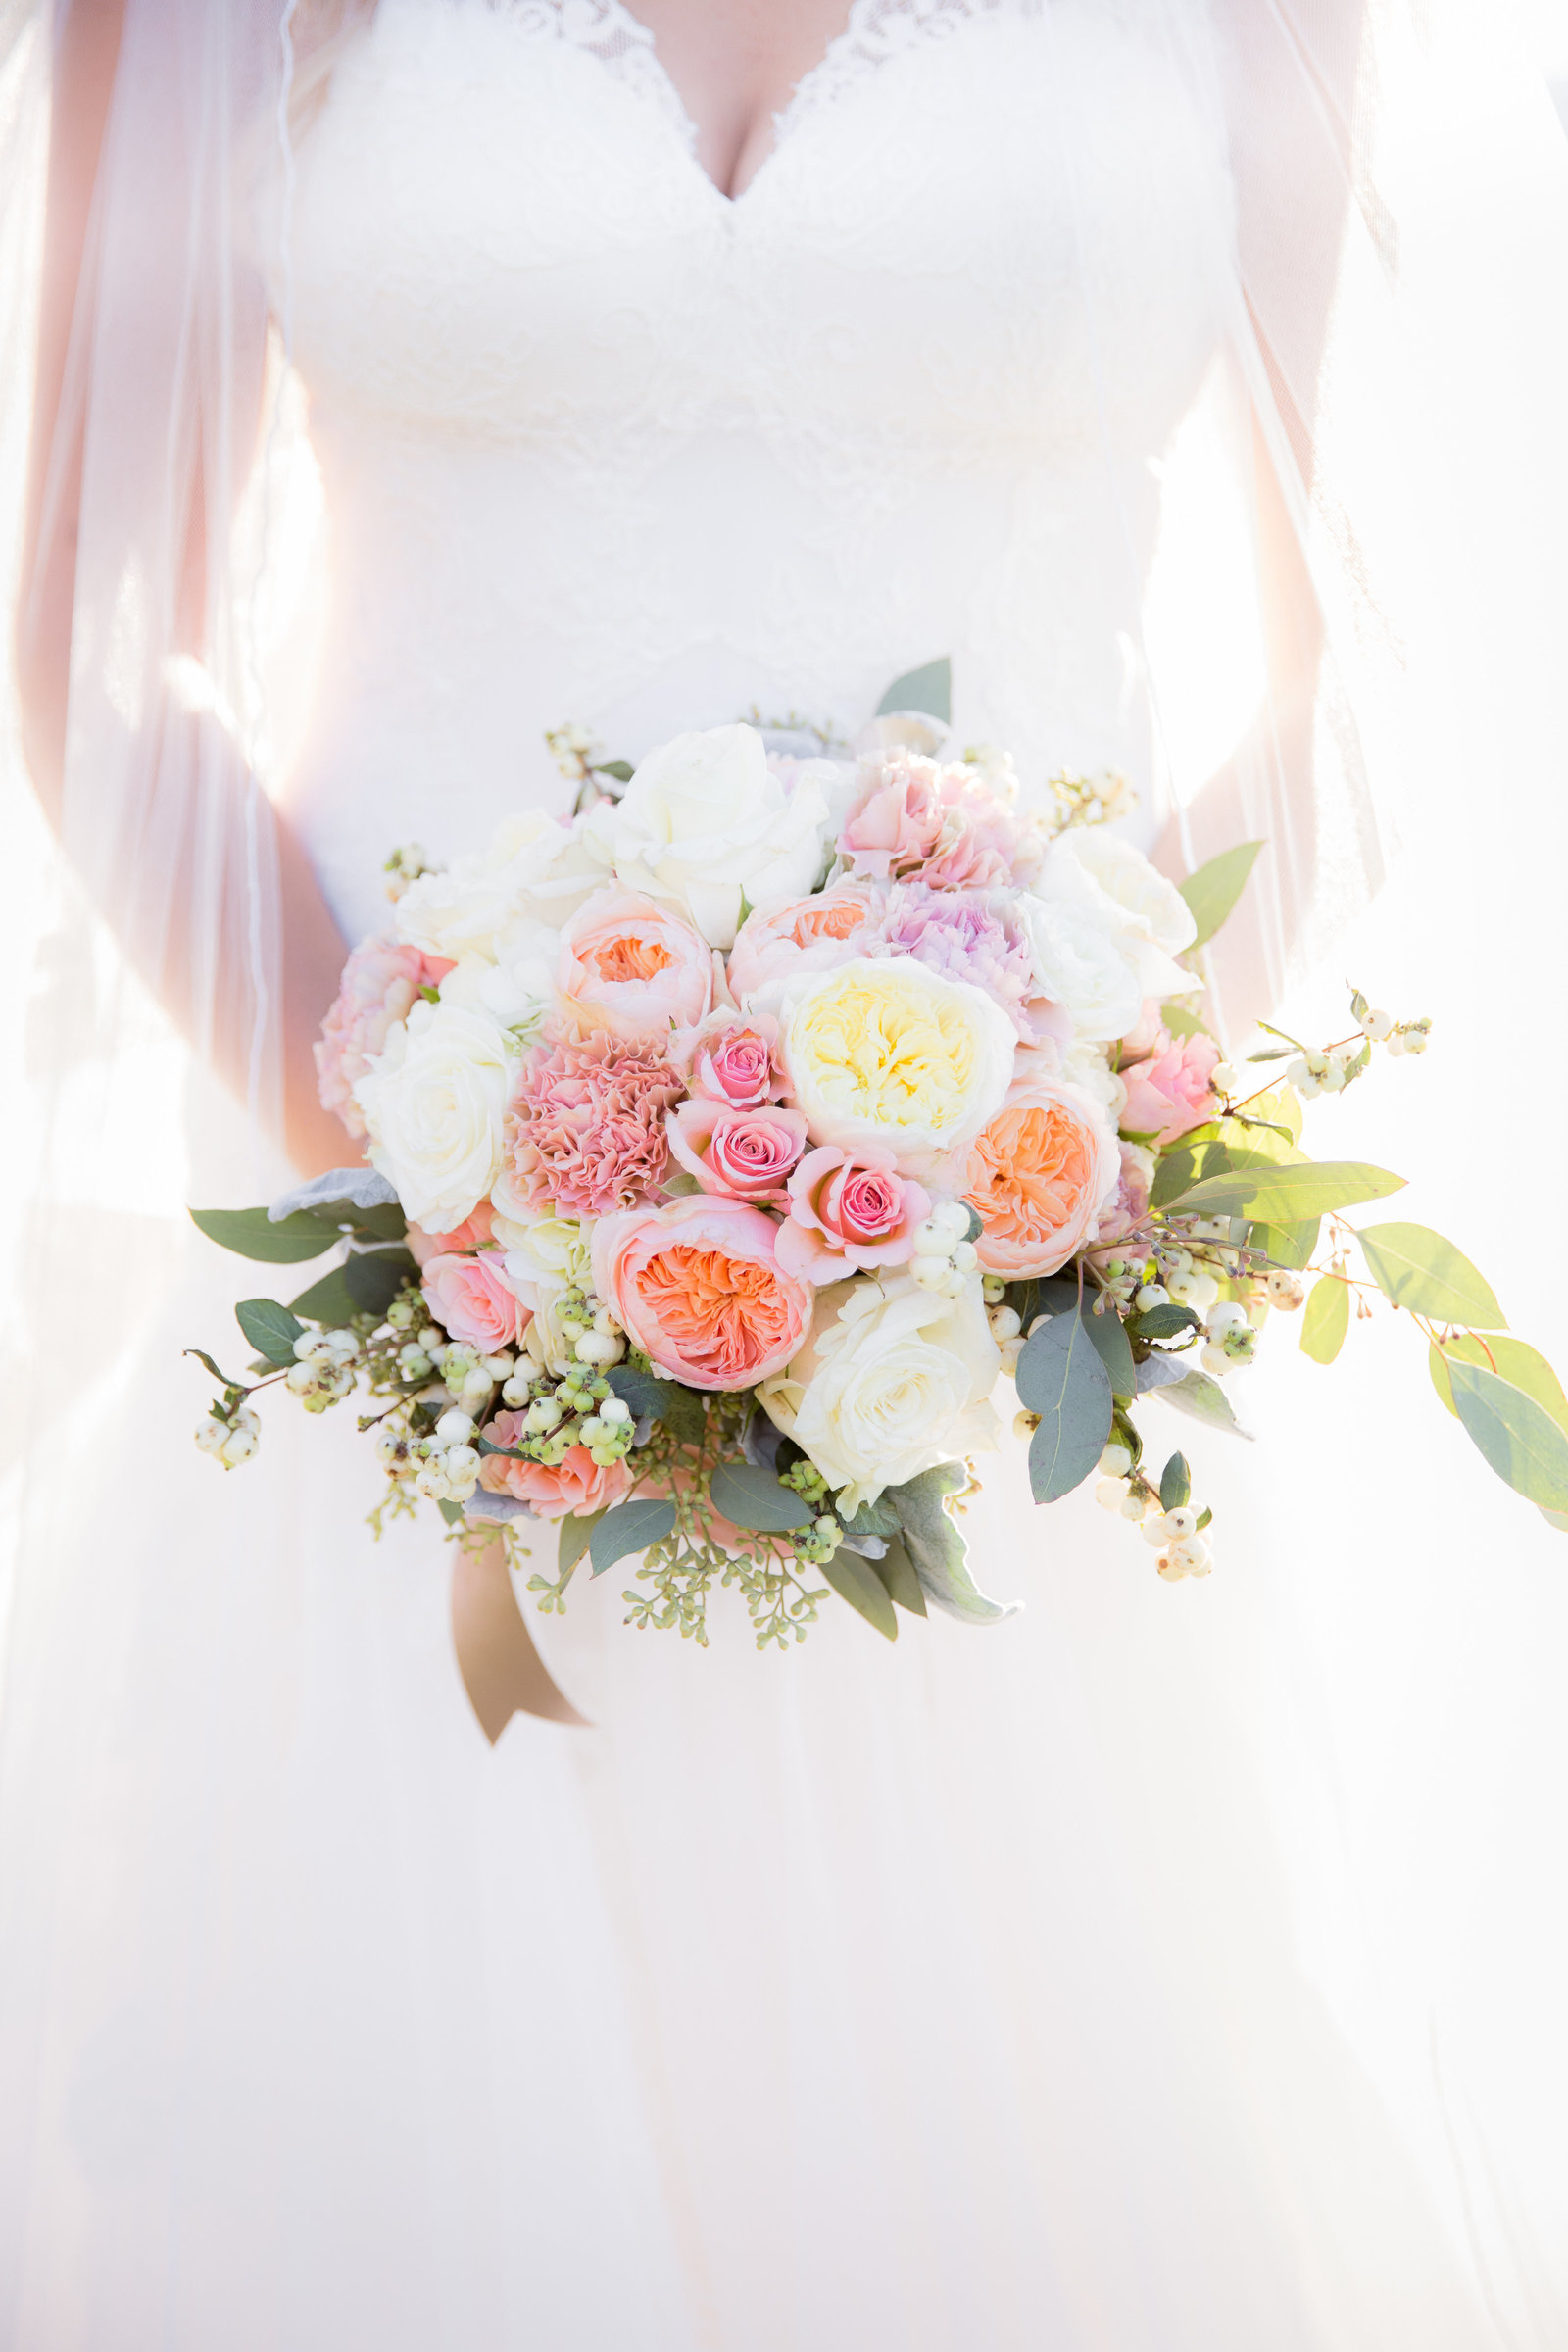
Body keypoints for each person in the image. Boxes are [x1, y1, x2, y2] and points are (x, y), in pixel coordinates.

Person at [3, 4, 1567, 2344]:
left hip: (989, 1362)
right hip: (382, 1335)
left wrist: (1036, 1160)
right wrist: (453, 1191)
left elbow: (1372, 665)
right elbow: (95, 641)